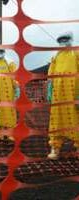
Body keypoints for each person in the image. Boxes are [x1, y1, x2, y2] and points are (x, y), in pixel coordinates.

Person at [47, 32, 79, 160]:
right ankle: (55, 148)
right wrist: (50, 90)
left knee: (76, 119)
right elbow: (50, 75)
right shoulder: (55, 56)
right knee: (56, 122)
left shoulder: (76, 53)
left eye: (65, 39)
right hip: (58, 96)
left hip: (73, 94)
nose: (63, 42)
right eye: (61, 39)